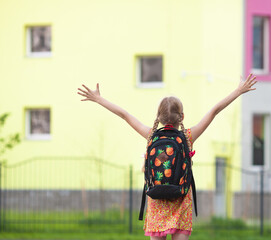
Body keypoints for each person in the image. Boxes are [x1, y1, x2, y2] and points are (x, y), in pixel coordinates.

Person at [77, 73, 257, 240]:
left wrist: (98, 99)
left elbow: (125, 115)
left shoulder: (151, 135)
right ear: (182, 116)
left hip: (157, 200)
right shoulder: (187, 137)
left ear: (159, 117)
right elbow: (214, 111)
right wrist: (238, 91)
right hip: (180, 200)